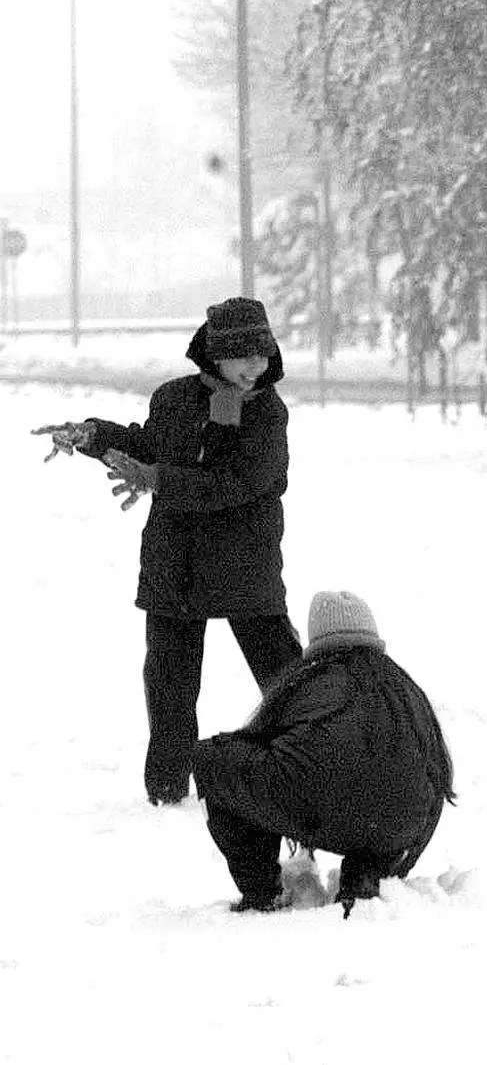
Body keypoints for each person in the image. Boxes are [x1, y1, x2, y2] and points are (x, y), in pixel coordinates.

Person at [32, 297, 303, 806]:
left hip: (244, 563)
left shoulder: (267, 412)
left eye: (262, 354)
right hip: (176, 563)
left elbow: (242, 482)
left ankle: (317, 769)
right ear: (215, 354)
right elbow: (149, 446)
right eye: (243, 355)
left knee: (285, 682)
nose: (255, 366)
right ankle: (166, 795)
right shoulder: (174, 399)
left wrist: (159, 480)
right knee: (170, 687)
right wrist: (93, 436)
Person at [191, 591, 457, 916]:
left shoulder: (309, 679)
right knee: (394, 793)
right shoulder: (407, 688)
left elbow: (257, 742)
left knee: (213, 759)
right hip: (402, 826)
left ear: (318, 639)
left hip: (323, 812)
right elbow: (440, 769)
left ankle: (263, 892)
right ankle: (369, 876)